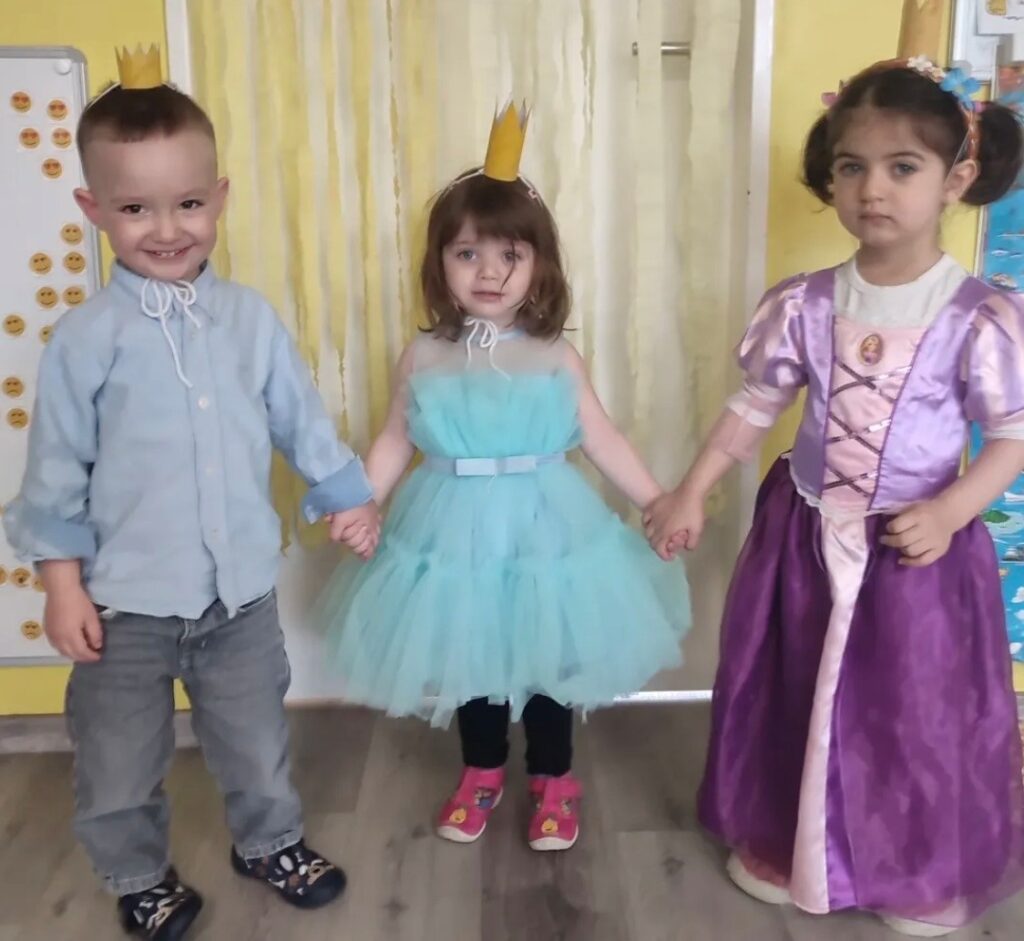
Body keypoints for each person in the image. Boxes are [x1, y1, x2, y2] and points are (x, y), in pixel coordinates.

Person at [3, 46, 377, 941]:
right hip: (124, 605)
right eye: (135, 208)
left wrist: (346, 494)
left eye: (188, 203)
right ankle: (137, 873)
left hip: (238, 596)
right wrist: (61, 584)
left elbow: (299, 418)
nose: (166, 228)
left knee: (256, 741)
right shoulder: (85, 340)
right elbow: (55, 470)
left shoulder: (250, 320)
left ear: (220, 198)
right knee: (117, 760)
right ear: (93, 209)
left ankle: (269, 841)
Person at [645, 57, 1024, 937]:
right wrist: (691, 491)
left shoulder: (978, 317)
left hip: (918, 551)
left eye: (903, 167)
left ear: (957, 178)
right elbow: (753, 407)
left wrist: (953, 510)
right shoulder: (805, 305)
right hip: (806, 534)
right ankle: (789, 840)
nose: (873, 189)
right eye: (853, 166)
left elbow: (1012, 436)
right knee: (792, 688)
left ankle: (912, 865)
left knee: (911, 713)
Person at [318, 103, 690, 853]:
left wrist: (656, 499)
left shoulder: (553, 354)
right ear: (439, 265)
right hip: (450, 526)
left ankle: (554, 777)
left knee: (549, 657)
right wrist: (361, 501)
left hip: (544, 525)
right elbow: (394, 439)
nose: (488, 272)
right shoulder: (425, 354)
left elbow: (601, 435)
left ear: (539, 265)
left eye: (509, 255)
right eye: (467, 254)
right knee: (471, 658)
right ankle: (481, 769)